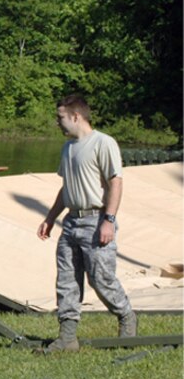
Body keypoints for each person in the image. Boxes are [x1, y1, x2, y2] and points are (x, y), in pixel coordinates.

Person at [36, 94, 137, 353]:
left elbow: (116, 181)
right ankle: (67, 337)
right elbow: (65, 187)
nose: (57, 123)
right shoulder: (68, 148)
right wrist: (50, 218)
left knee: (101, 278)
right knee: (67, 279)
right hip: (71, 222)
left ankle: (127, 318)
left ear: (76, 116)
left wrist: (109, 220)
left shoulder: (103, 143)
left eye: (60, 118)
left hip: (96, 220)